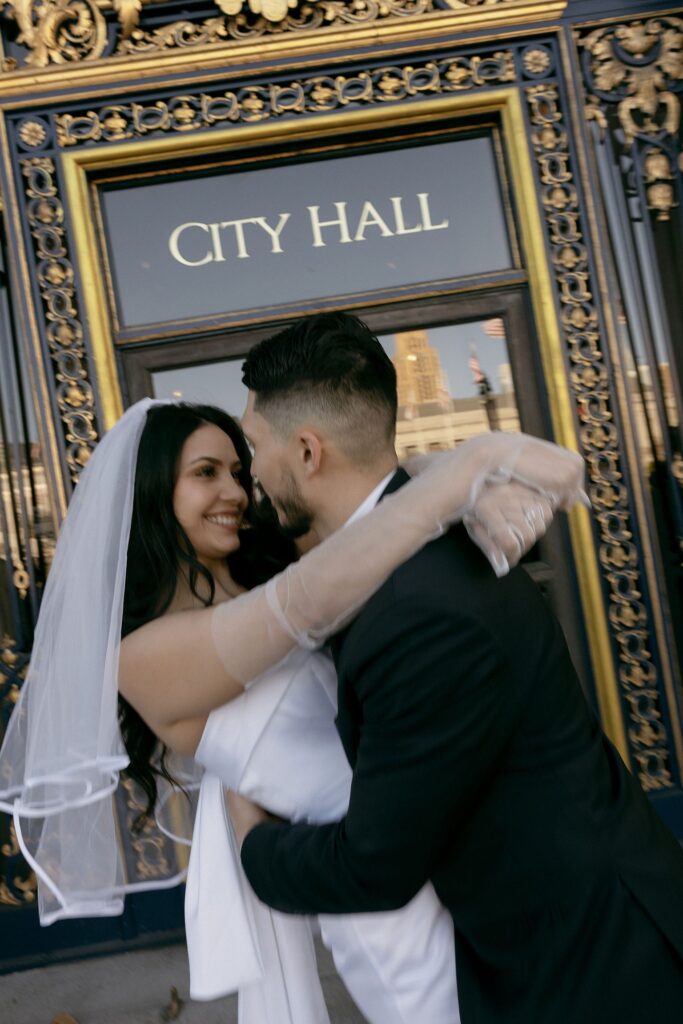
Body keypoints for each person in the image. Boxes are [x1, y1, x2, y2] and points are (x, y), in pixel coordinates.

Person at [0, 396, 585, 1023]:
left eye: (237, 470)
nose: (234, 490)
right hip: (380, 903)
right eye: (205, 473)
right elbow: (306, 601)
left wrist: (449, 473)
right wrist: (472, 467)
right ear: (150, 495)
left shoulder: (271, 570)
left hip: (448, 850)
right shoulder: (143, 656)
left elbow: (357, 505)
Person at [227, 312, 683, 1024]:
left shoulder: (418, 614)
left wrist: (251, 839)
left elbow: (374, 865)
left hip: (594, 969)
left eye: (254, 447)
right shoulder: (426, 539)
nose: (250, 473)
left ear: (309, 452)